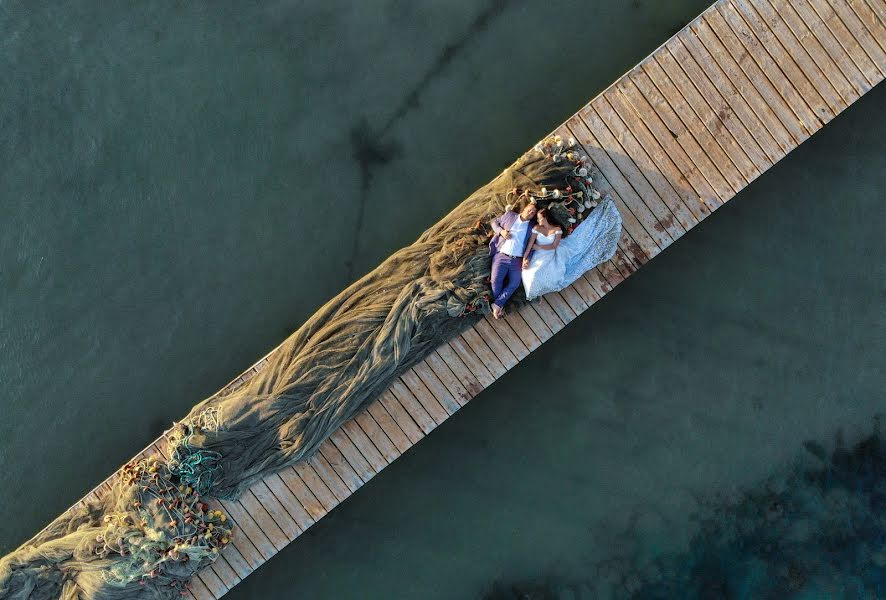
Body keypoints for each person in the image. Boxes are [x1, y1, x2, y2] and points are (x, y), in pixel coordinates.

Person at [521, 198, 622, 301]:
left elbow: (554, 246)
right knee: (530, 273)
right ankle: (533, 291)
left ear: (545, 218)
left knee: (574, 251)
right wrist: (525, 258)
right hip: (538, 255)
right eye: (537, 219)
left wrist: (539, 247)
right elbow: (530, 244)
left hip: (551, 253)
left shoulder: (557, 230)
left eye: (539, 218)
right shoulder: (536, 228)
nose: (538, 221)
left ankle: (537, 288)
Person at [488, 201, 537, 319]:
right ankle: (498, 305)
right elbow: (494, 222)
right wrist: (502, 232)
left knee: (514, 283)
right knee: (495, 280)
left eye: (533, 212)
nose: (531, 212)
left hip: (517, 260)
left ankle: (497, 304)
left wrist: (527, 259)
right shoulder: (510, 215)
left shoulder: (532, 227)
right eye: (529, 209)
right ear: (524, 208)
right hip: (502, 256)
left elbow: (533, 246)